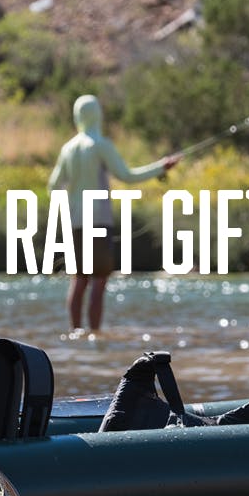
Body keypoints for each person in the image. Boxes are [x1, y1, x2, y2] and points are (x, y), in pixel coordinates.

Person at [48, 94, 180, 331]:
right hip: (98, 220)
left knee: (79, 279)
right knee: (99, 280)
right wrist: (160, 168)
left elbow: (53, 186)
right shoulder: (100, 145)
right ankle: (95, 335)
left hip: (75, 221)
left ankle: (76, 332)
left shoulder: (68, 149)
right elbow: (127, 176)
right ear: (97, 115)